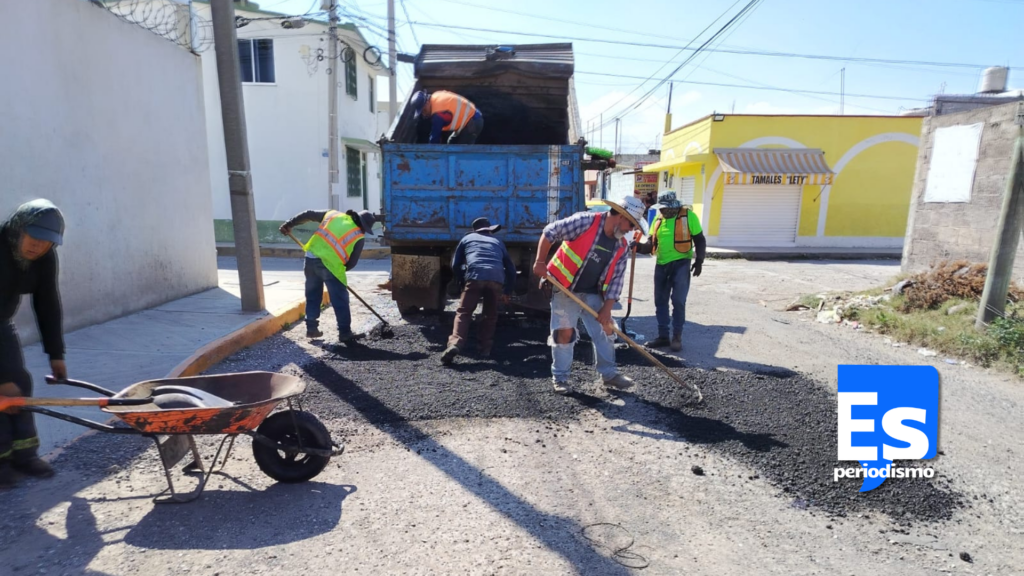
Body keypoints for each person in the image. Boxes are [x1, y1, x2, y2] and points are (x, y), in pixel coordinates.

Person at [531, 197, 648, 395]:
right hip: (565, 288)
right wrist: (540, 262)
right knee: (564, 333)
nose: (631, 230)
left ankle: (609, 374)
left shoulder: (620, 247)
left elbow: (616, 282)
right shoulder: (585, 222)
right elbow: (550, 232)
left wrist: (606, 310)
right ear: (620, 216)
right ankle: (560, 378)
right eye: (631, 224)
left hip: (594, 292)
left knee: (606, 329)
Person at [0, 200, 67, 488]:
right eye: (34, 237)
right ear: (19, 230)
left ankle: (24, 456)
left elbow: (47, 303)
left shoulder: (44, 258)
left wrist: (56, 354)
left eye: (47, 242)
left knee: (20, 385)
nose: (38, 246)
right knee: (3, 393)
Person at [279, 209, 376, 343]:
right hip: (331, 267)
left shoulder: (332, 215)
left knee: (313, 295)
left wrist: (289, 224)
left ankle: (311, 329)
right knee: (340, 300)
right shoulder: (359, 236)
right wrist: (338, 270)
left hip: (311, 259)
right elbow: (352, 263)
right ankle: (345, 333)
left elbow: (308, 214)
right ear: (363, 226)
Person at [441, 217, 518, 365]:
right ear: (489, 230)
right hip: (496, 279)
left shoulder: (467, 238)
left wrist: (462, 280)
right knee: (490, 315)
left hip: (475, 276)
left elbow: (456, 264)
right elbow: (511, 269)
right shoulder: (498, 242)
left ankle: (455, 344)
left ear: (475, 230)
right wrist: (507, 290)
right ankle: (484, 349)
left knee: (464, 312)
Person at [637, 192, 706, 352]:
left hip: (681, 264)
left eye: (667, 209)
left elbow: (700, 239)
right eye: (662, 208)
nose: (664, 211)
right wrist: (639, 247)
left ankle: (676, 336)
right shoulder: (658, 219)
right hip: (661, 265)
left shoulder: (689, 217)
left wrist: (700, 260)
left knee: (678, 301)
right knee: (660, 301)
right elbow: (650, 243)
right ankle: (663, 336)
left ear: (676, 206)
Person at [410, 90, 485, 145]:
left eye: (423, 110)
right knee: (451, 142)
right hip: (466, 122)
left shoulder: (438, 114)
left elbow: (435, 138)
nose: (424, 113)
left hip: (473, 122)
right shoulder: (436, 96)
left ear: (427, 103)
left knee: (462, 152)